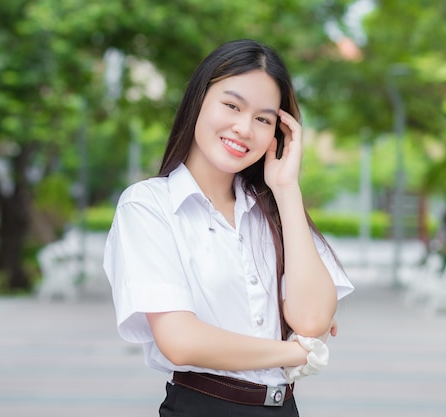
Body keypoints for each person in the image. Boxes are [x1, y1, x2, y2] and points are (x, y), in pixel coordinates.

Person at [103, 39, 354, 417]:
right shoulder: (149, 205)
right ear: (198, 100)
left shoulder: (275, 212)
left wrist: (286, 189)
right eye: (232, 106)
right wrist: (295, 351)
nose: (244, 128)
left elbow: (313, 319)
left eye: (263, 119)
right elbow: (181, 341)